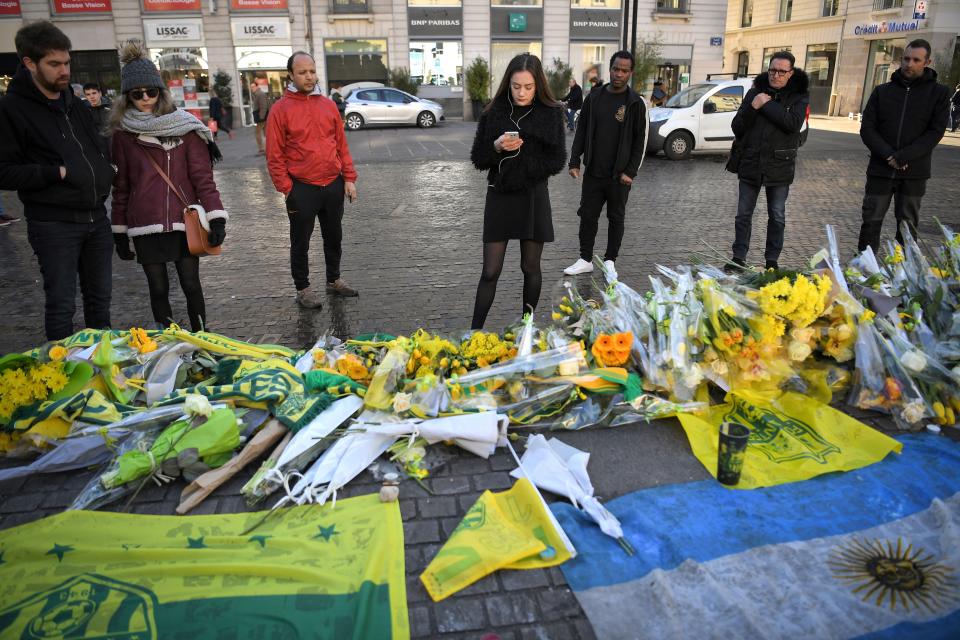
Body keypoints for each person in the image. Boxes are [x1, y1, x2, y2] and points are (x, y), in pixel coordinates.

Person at [0, 21, 114, 340]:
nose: (64, 70)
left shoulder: (75, 104)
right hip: (54, 225)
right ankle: (61, 375)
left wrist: (107, 168)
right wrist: (56, 172)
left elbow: (96, 147)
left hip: (97, 220)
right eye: (54, 64)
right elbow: (4, 170)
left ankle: (101, 369)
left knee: (100, 305)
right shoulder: (12, 109)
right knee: (62, 306)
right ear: (29, 63)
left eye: (66, 62)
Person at [109, 40, 227, 332]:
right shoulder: (123, 136)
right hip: (144, 225)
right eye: (137, 94)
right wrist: (119, 232)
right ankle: (166, 342)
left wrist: (217, 218)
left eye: (151, 91)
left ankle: (202, 337)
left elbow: (203, 179)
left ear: (161, 92)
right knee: (158, 288)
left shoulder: (186, 129)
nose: (145, 98)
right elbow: (121, 186)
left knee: (190, 284)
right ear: (128, 97)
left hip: (182, 222)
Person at [469, 53, 566, 329]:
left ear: (538, 86)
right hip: (500, 195)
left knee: (530, 267)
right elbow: (478, 158)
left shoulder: (551, 113)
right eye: (515, 86)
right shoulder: (493, 111)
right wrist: (497, 147)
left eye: (528, 87)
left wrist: (522, 162)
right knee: (490, 271)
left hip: (533, 196)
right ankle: (473, 332)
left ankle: (527, 326)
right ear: (507, 83)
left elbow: (556, 160)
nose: (521, 92)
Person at [266, 51, 359, 309]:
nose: (309, 77)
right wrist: (287, 189)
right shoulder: (280, 110)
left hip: (332, 184)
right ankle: (303, 288)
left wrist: (348, 178)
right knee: (300, 241)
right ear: (291, 76)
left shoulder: (328, 105)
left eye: (312, 71)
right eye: (302, 72)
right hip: (301, 188)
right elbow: (274, 155)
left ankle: (334, 280)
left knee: (334, 237)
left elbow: (341, 145)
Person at [857, 39, 950, 254]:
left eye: (916, 60)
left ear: (927, 62)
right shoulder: (882, 91)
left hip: (914, 172)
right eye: (906, 59)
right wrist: (889, 155)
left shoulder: (939, 93)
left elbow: (935, 132)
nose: (909, 64)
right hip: (880, 170)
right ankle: (863, 270)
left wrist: (904, 156)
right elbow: (867, 129)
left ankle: (906, 275)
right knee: (870, 223)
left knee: (907, 227)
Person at [564, 51, 648, 279]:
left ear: (630, 73)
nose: (619, 74)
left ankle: (610, 260)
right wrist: (574, 161)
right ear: (609, 69)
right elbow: (581, 131)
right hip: (594, 171)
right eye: (615, 69)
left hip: (619, 176)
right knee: (587, 216)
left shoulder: (635, 103)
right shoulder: (594, 97)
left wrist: (630, 172)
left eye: (624, 70)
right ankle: (585, 259)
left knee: (616, 218)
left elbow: (641, 139)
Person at [725, 51, 809, 271]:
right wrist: (754, 106)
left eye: (782, 71)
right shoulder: (754, 93)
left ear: (790, 73)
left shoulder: (799, 96)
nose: (776, 75)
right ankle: (738, 257)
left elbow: (791, 123)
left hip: (780, 165)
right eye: (773, 70)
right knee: (743, 214)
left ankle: (772, 260)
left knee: (777, 215)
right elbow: (737, 127)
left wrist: (766, 104)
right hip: (751, 161)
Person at [251, 81, 270, 154]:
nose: (252, 88)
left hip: (261, 117)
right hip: (262, 116)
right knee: (265, 133)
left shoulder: (260, 94)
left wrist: (261, 117)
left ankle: (262, 148)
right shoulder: (257, 94)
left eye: (253, 86)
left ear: (257, 86)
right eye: (251, 87)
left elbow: (263, 106)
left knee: (257, 133)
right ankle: (266, 148)